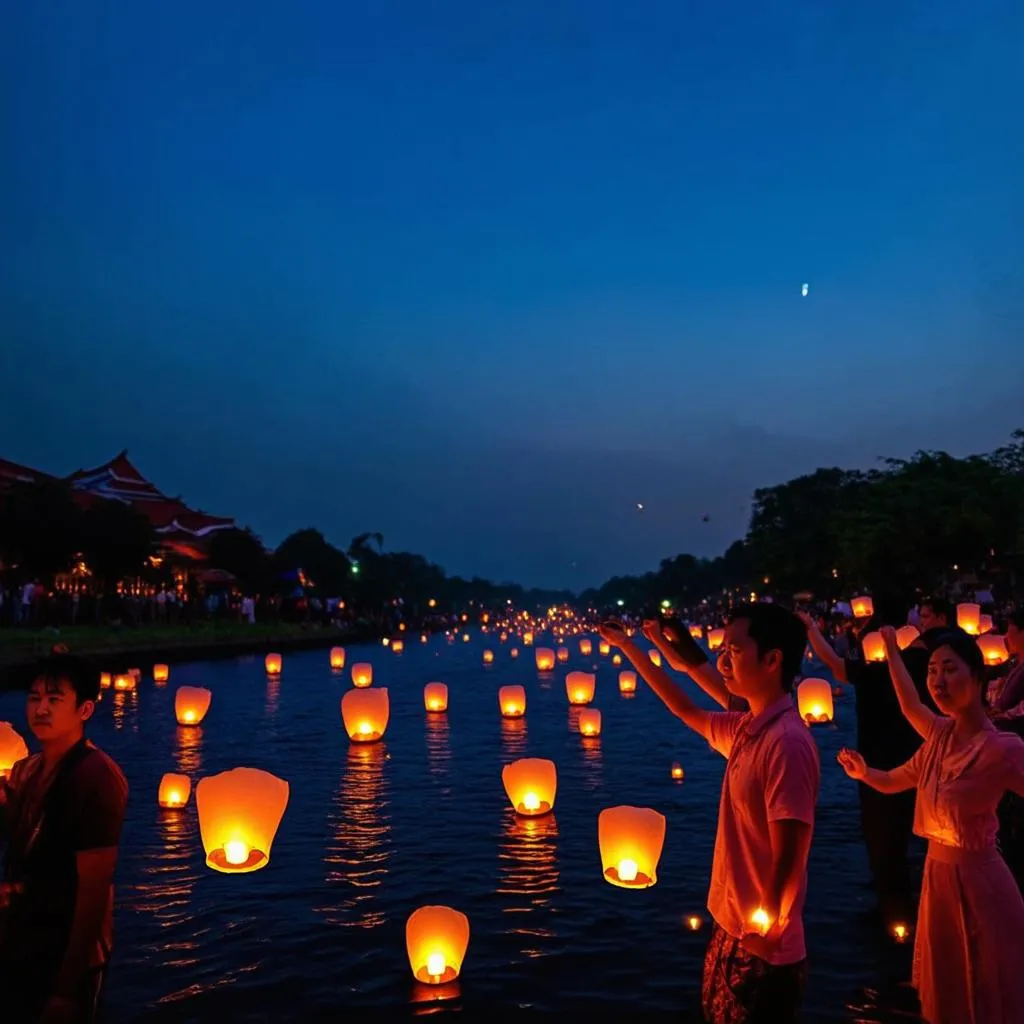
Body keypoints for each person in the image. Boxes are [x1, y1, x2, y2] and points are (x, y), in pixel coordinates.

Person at [601, 603, 818, 1024]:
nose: (721, 660)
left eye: (734, 650)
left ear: (773, 660)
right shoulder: (747, 729)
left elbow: (792, 852)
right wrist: (628, 646)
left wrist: (766, 931)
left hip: (762, 946)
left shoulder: (786, 743)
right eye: (722, 648)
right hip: (731, 928)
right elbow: (685, 709)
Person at [838, 628, 1024, 1024]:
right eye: (932, 671)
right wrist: (863, 772)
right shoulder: (937, 738)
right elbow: (893, 776)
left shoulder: (1003, 749)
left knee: (986, 987)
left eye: (950, 670)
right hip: (937, 878)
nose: (938, 681)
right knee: (948, 988)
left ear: (978, 677)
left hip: (982, 885)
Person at [0, 653, 129, 1024]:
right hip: (21, 936)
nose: (40, 708)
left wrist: (67, 988)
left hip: (65, 952)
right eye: (34, 697)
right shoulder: (27, 770)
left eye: (54, 699)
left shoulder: (97, 778)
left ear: (85, 709)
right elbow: (22, 841)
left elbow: (93, 889)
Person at [800, 600, 935, 934]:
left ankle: (893, 915)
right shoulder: (925, 665)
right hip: (923, 764)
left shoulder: (874, 672)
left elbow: (833, 663)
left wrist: (810, 629)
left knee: (885, 846)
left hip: (877, 767)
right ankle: (922, 912)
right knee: (925, 843)